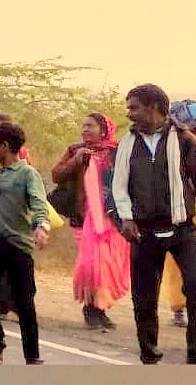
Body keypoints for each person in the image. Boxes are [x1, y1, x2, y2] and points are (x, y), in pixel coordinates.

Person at [110, 84, 196, 365]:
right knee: (144, 298)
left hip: (182, 229)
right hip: (143, 232)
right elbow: (118, 188)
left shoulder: (184, 140)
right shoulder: (126, 144)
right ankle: (149, 354)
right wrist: (125, 219)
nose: (129, 114)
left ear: (154, 107)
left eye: (134, 107)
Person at [0, 121, 50, 365]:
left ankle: (32, 356)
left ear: (5, 146)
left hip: (17, 247)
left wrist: (41, 227)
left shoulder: (28, 174)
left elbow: (38, 203)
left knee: (24, 303)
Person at [50, 113, 128, 331]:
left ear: (104, 130)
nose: (85, 130)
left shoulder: (117, 151)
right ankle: (90, 308)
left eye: (90, 126)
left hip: (113, 218)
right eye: (83, 126)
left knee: (108, 265)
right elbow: (56, 175)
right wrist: (78, 160)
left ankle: (99, 308)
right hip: (85, 219)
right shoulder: (75, 151)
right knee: (91, 265)